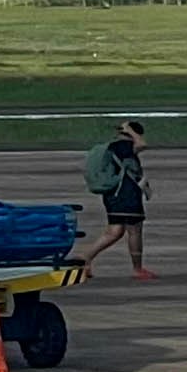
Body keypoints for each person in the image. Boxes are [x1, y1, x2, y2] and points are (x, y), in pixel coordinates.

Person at [78, 120, 153, 279]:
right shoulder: (123, 147)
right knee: (135, 231)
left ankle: (85, 258)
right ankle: (137, 268)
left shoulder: (111, 147)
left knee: (115, 231)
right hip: (126, 195)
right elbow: (142, 145)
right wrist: (132, 132)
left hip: (112, 195)